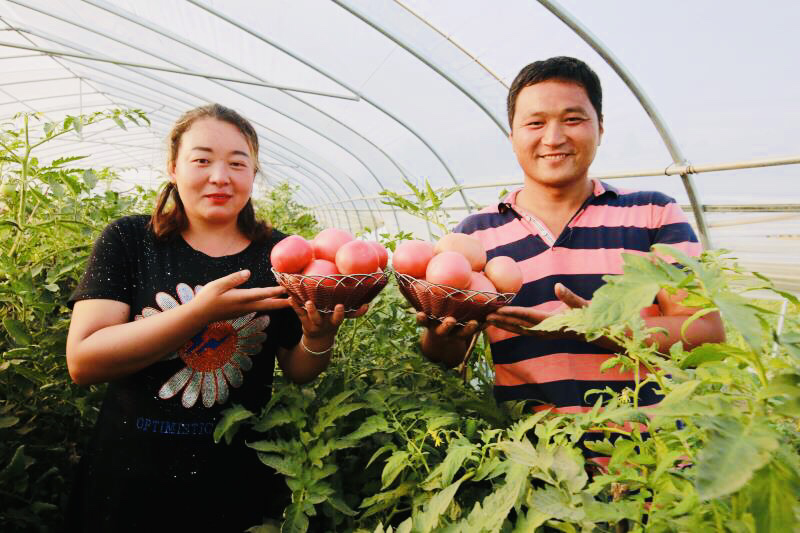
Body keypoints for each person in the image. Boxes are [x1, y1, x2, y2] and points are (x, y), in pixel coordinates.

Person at [65, 104, 362, 531]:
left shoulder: (282, 256)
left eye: (237, 163)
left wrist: (318, 337)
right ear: (173, 168)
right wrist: (199, 313)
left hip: (235, 480)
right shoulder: (130, 240)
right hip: (128, 477)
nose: (220, 176)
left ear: (253, 173)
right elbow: (84, 361)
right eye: (202, 160)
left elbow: (298, 369)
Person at [419, 57, 724, 422]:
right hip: (532, 449)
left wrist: (594, 327)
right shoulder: (475, 235)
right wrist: (440, 335)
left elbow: (705, 332)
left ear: (600, 128)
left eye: (572, 119)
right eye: (535, 123)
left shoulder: (653, 213)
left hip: (650, 447)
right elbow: (450, 355)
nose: (553, 138)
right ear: (512, 136)